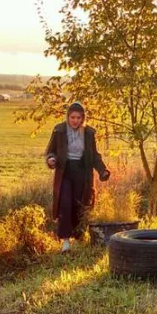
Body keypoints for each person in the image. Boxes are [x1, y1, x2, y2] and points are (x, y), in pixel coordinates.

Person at [45, 102, 110, 253]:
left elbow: (94, 156)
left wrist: (102, 171)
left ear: (82, 118)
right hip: (65, 172)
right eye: (72, 117)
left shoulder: (88, 133)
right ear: (68, 117)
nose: (75, 120)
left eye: (78, 118)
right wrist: (51, 159)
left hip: (83, 172)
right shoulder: (59, 130)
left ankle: (79, 238)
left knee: (81, 204)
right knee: (65, 203)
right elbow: (51, 151)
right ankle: (66, 242)